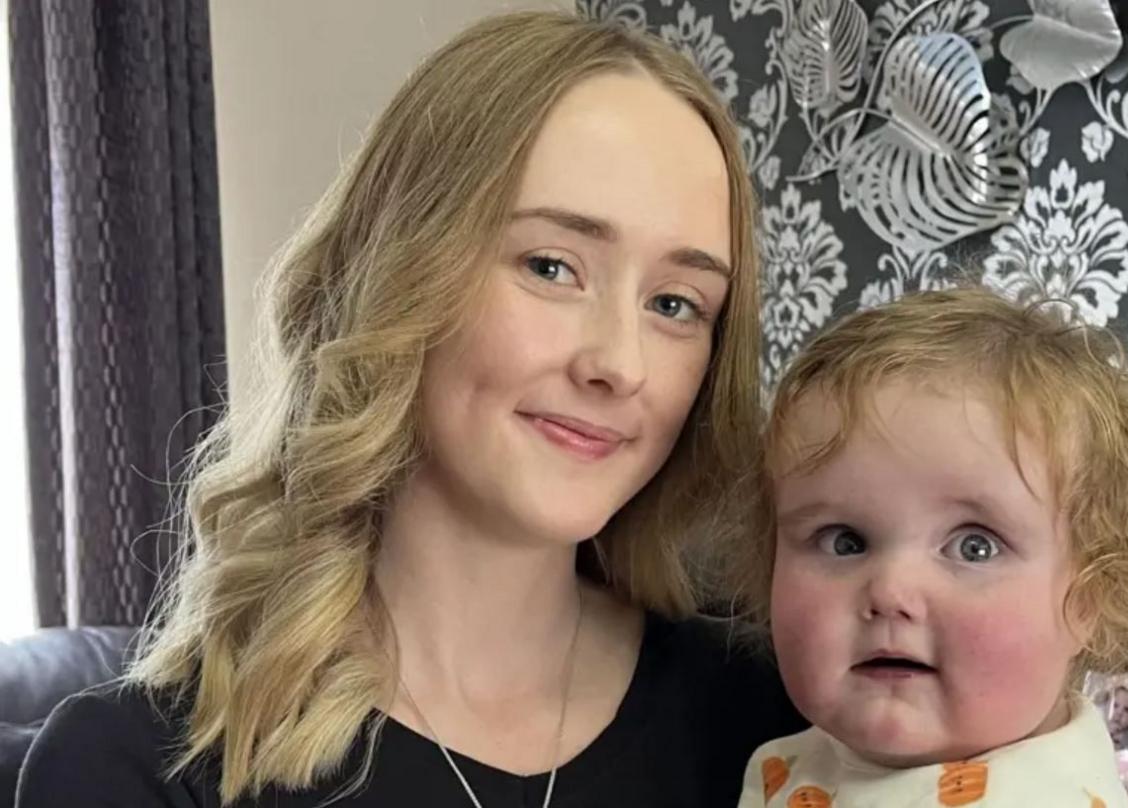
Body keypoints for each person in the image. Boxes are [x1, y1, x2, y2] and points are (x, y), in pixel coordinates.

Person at [20, 11, 802, 808]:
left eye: (675, 303)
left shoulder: (781, 731)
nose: (618, 364)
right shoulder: (134, 767)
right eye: (551, 266)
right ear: (398, 270)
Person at [732, 288, 1128, 806]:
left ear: (1089, 597)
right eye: (845, 541)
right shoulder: (796, 758)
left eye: (974, 547)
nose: (891, 590)